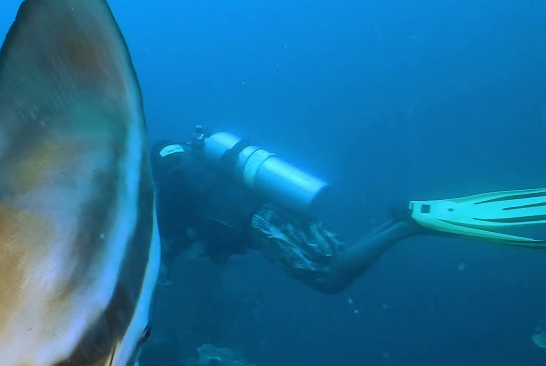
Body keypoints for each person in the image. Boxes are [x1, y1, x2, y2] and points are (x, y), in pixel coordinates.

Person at [151, 126, 546, 295]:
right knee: (337, 260)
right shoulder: (204, 159)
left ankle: (406, 226)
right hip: (284, 205)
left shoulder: (174, 179)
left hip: (260, 222)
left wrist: (165, 262)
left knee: (329, 279)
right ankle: (401, 221)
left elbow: (172, 226)